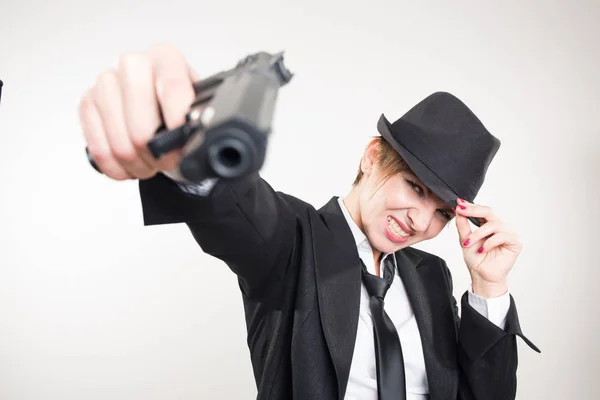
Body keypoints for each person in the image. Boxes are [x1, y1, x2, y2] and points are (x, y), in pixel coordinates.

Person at [79, 43, 540, 400]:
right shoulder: (294, 241)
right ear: (373, 155)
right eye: (414, 188)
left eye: (441, 211)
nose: (420, 220)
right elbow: (241, 210)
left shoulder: (431, 275)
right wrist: (189, 153)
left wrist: (488, 288)